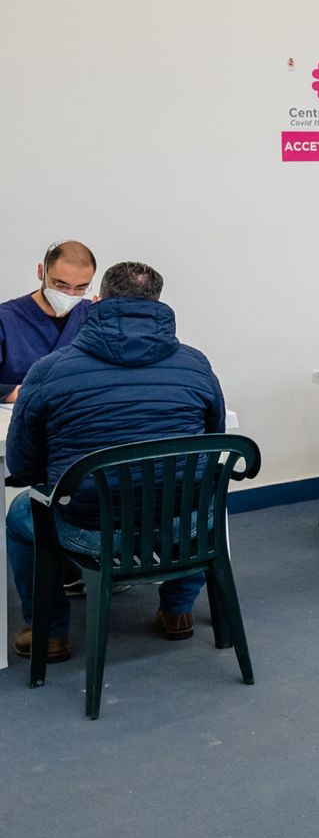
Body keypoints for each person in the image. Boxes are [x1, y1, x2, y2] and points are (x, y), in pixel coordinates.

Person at [6, 262, 225, 663]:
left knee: (22, 512)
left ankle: (50, 634)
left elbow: (21, 465)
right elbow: (211, 443)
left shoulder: (50, 371)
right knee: (196, 496)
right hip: (180, 526)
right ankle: (177, 610)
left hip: (91, 530)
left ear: (98, 300)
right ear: (158, 302)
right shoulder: (196, 364)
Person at [0, 240, 97, 402]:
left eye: (81, 288)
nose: (70, 294)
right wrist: (23, 393)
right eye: (61, 285)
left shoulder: (95, 317)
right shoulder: (5, 320)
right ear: (41, 272)